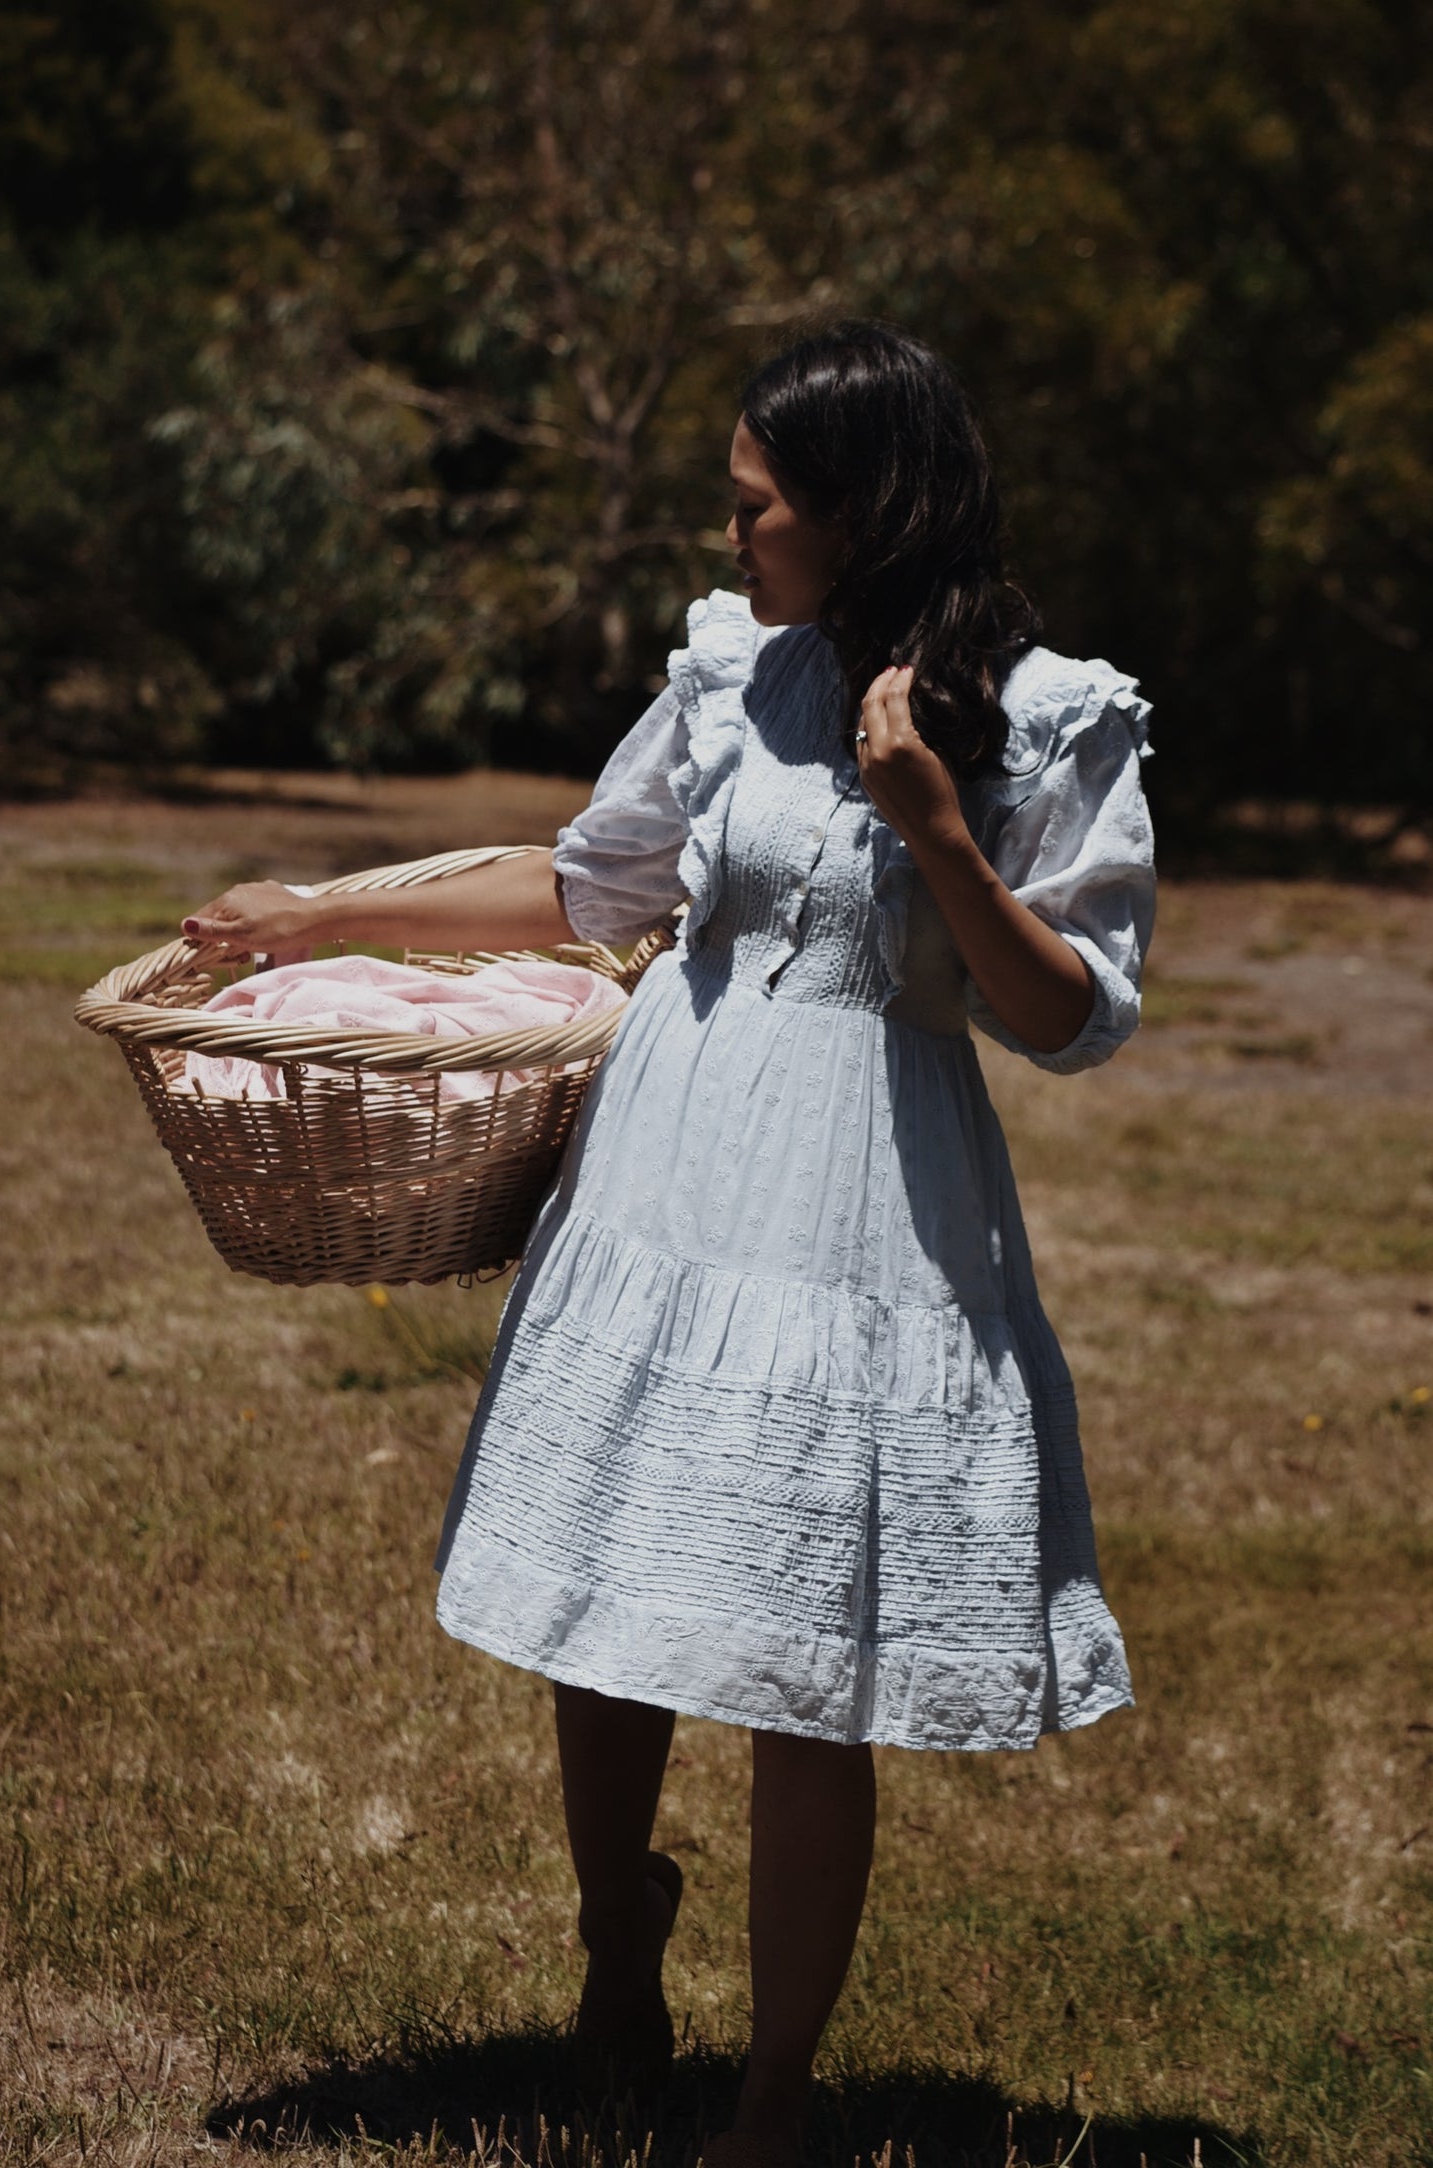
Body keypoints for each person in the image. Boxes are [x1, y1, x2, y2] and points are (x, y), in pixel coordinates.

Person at [183, 321, 1155, 2168]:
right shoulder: (738, 677)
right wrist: (318, 910)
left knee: (805, 1654)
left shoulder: (1044, 716)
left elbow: (1069, 1014)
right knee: (620, 1596)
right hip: (668, 1166)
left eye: (755, 506)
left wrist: (937, 831)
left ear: (865, 511)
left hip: (863, 1196)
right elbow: (588, 886)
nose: (731, 540)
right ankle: (616, 1948)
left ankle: (775, 2097)